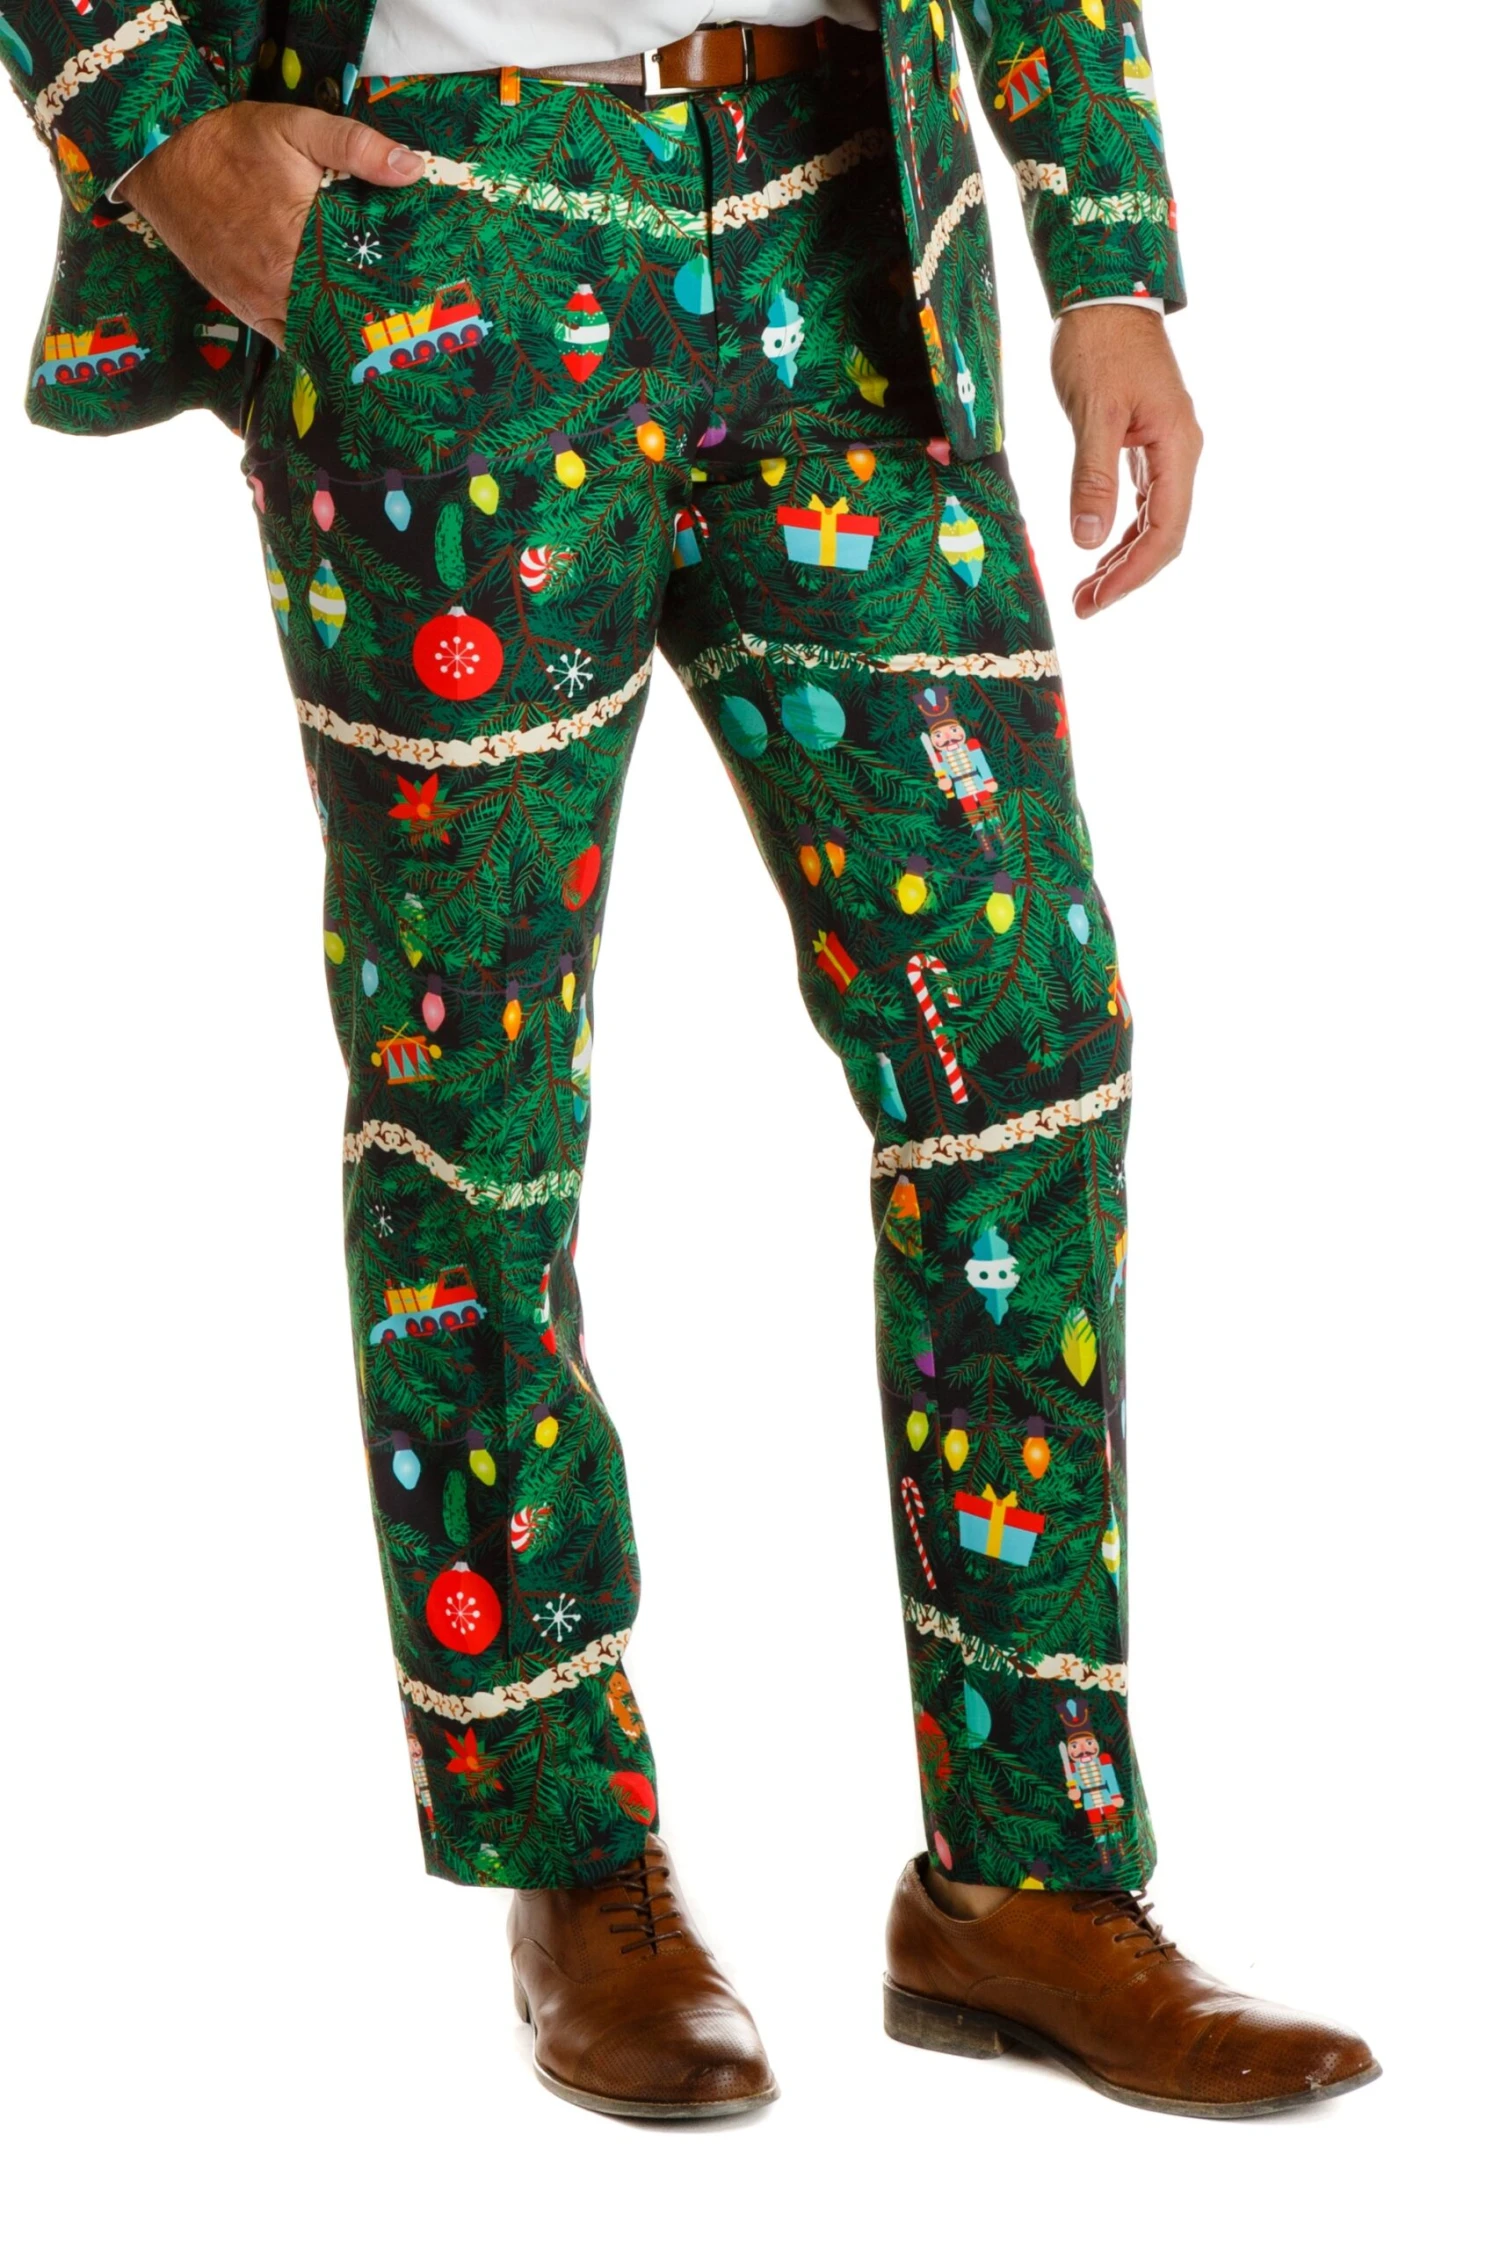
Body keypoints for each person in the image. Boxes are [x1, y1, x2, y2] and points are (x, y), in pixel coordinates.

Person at [2, 2, 1379, 2122]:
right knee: (472, 1101)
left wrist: (1105, 256)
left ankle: (1027, 1877)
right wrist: (163, 140)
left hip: (845, 226)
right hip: (450, 216)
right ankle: (569, 1847)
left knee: (1024, 1054)